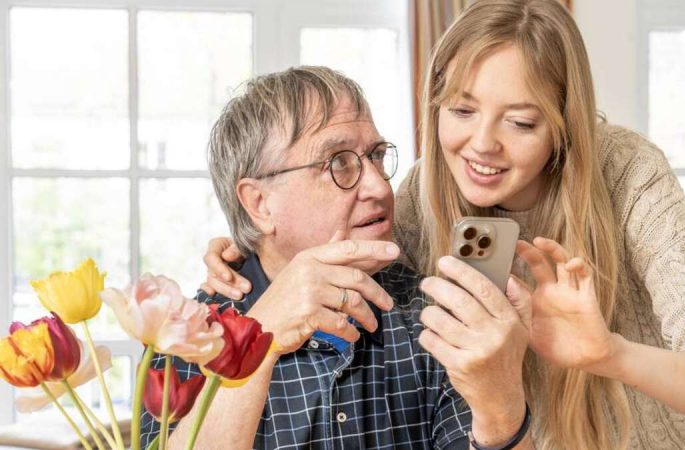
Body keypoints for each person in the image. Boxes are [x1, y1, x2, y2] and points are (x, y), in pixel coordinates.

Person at [202, 1, 685, 449]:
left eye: (521, 122)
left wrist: (607, 353)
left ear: (563, 129)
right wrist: (247, 254)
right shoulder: (419, 198)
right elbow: (314, 234)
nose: (480, 146)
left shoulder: (628, 176)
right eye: (461, 111)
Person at [139, 66, 504, 449]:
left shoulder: (431, 316)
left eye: (377, 156)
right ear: (259, 204)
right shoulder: (184, 337)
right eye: (338, 162)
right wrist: (260, 339)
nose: (380, 187)